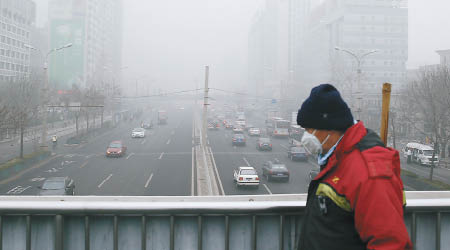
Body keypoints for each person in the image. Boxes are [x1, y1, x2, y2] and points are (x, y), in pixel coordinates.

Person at [296, 84, 412, 250]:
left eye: (309, 130)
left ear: (329, 128)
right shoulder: (339, 158)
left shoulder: (369, 171)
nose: (305, 137)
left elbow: (390, 243)